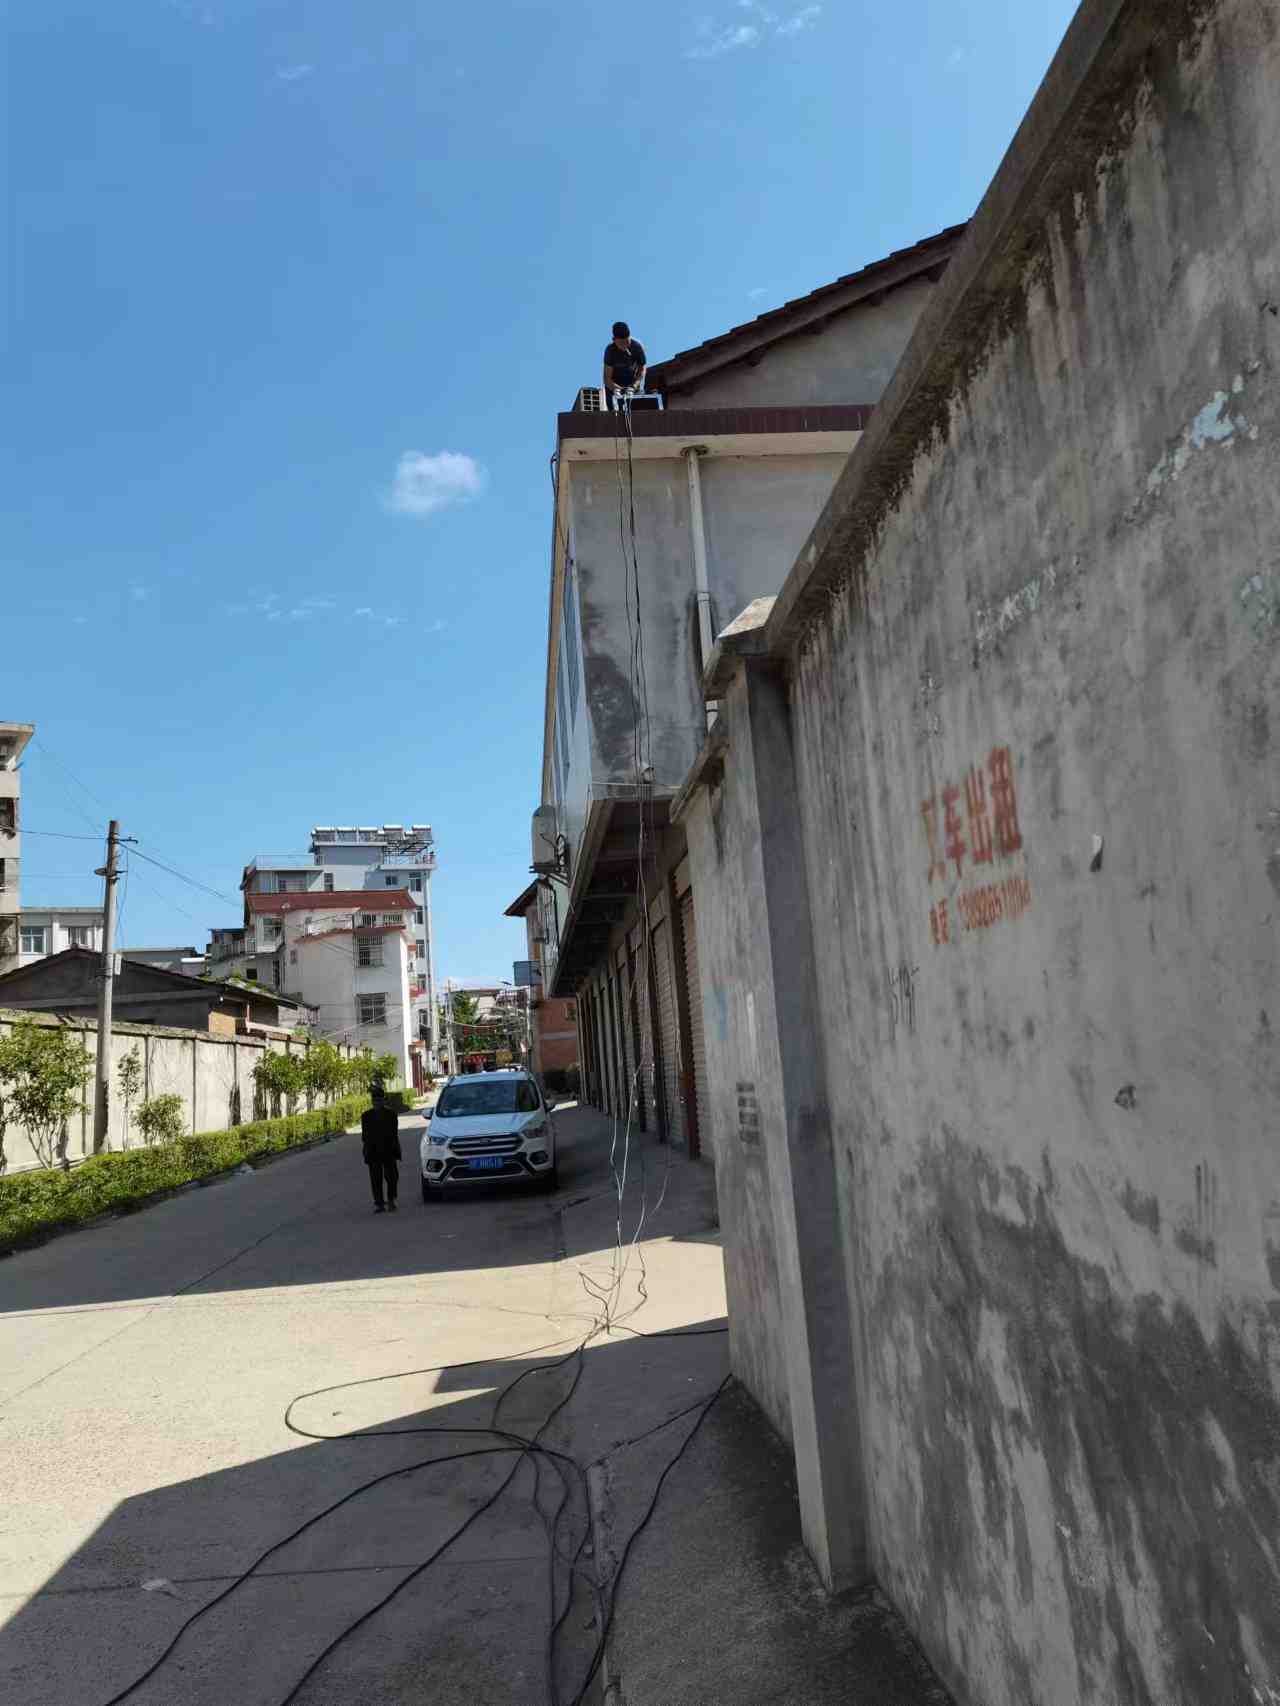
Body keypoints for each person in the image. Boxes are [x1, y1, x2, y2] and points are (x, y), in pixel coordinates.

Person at [361, 1081, 401, 1213]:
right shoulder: (366, 1116)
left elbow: (394, 1133)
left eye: (379, 1100)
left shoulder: (391, 1114)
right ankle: (379, 1203)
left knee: (392, 1177)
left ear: (384, 1100)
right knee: (375, 1178)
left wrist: (394, 1148)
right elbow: (365, 1135)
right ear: (372, 1102)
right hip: (373, 1151)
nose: (377, 1103)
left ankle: (391, 1200)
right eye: (375, 1101)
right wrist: (367, 1148)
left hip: (389, 1149)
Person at [603, 321, 646, 409]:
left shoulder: (637, 347)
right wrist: (617, 389)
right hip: (614, 386)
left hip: (632, 383)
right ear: (614, 340)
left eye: (627, 342)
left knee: (638, 407)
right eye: (621, 344)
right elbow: (607, 378)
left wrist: (634, 386)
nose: (625, 346)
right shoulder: (610, 351)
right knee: (615, 410)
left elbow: (642, 368)